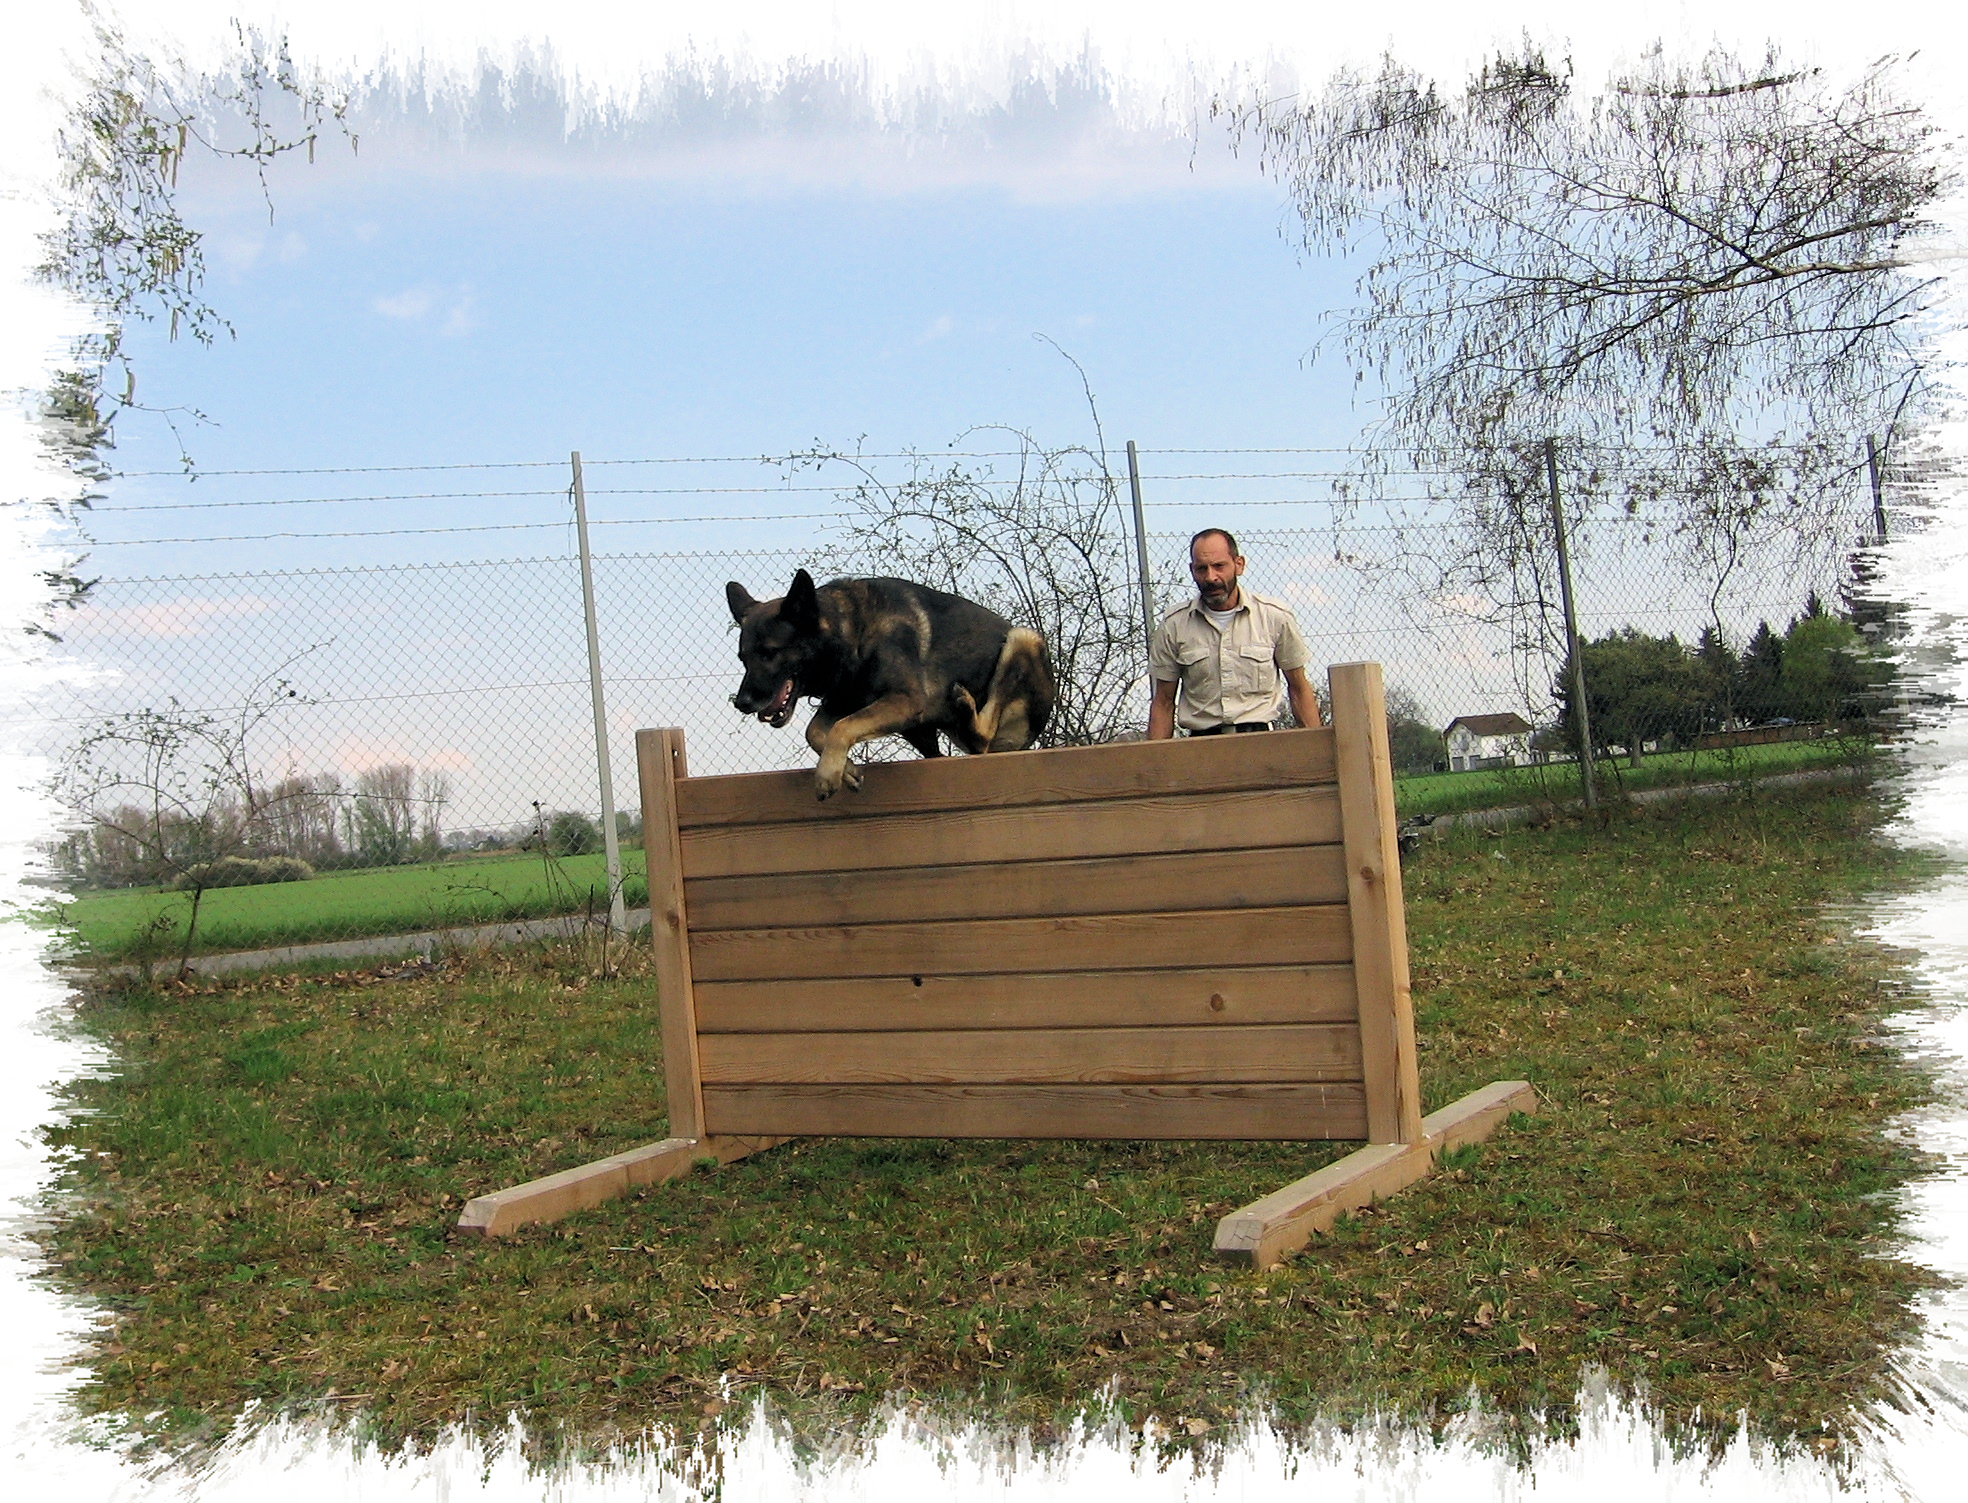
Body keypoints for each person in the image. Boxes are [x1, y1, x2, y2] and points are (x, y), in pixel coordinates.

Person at [1146, 528, 1319, 738]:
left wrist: (1315, 749)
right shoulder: (1175, 625)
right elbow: (1163, 702)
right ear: (1192, 571)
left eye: (1219, 566)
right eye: (1202, 569)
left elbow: (1299, 688)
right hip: (1201, 749)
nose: (1211, 577)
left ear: (1239, 565)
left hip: (1262, 744)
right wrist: (1156, 766)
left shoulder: (1274, 617)